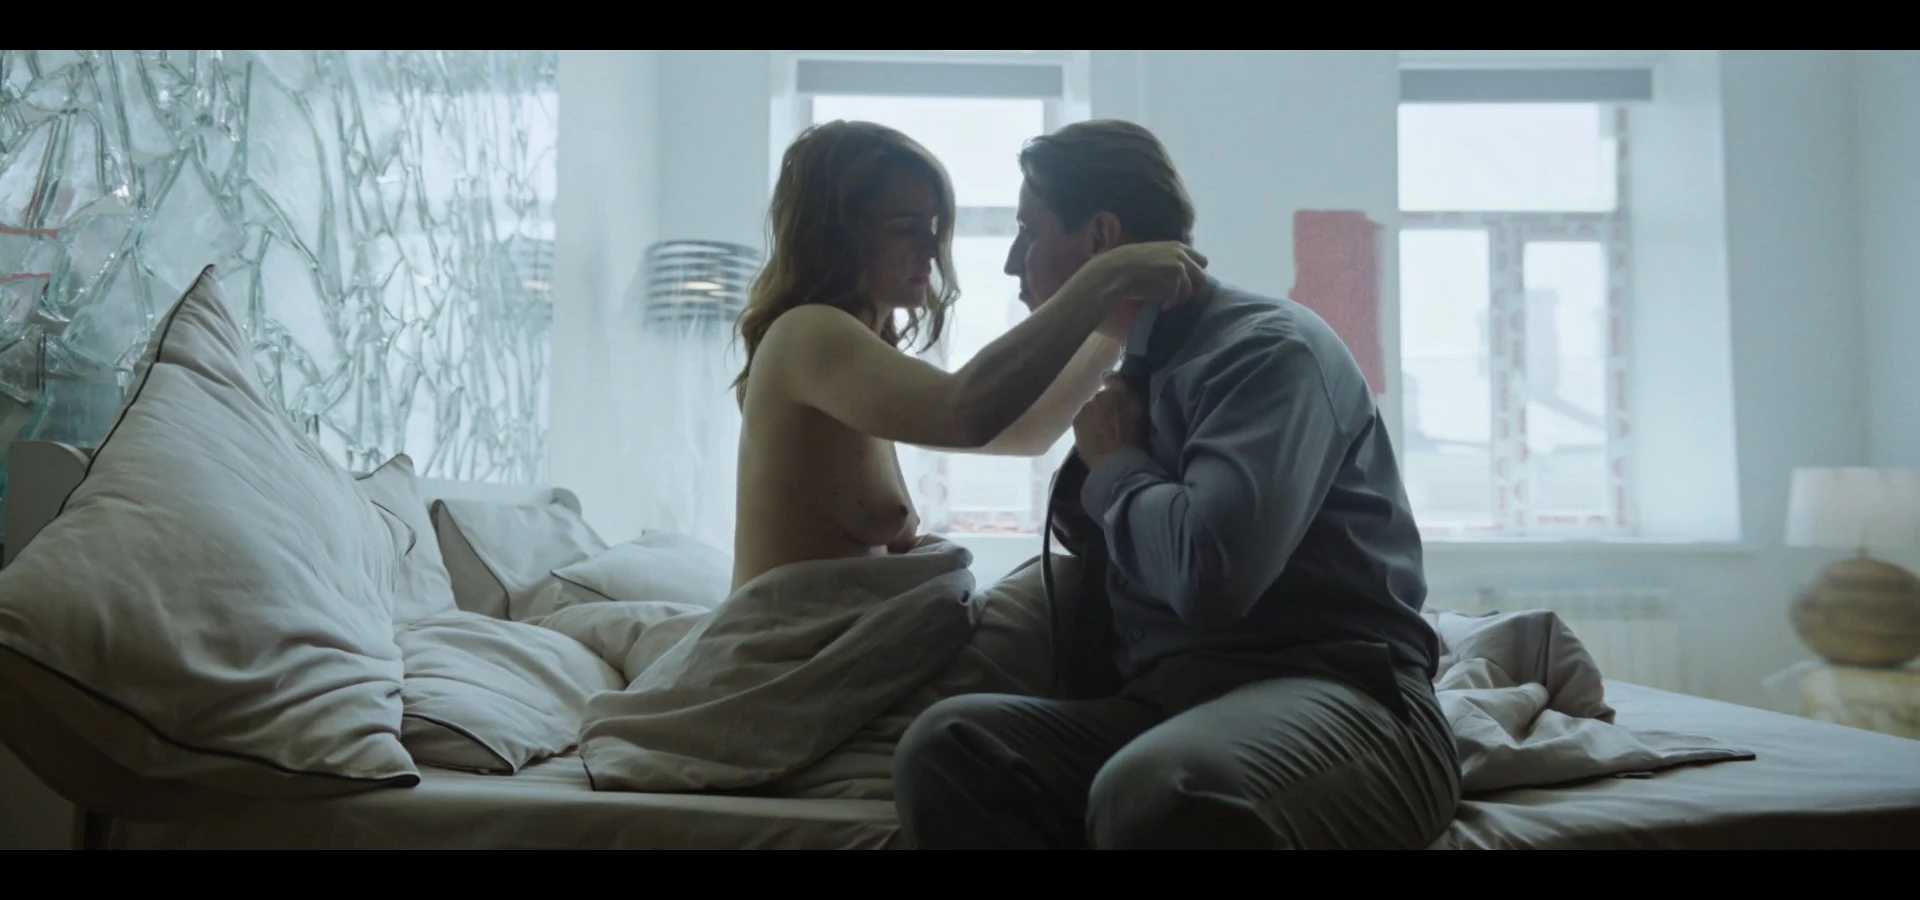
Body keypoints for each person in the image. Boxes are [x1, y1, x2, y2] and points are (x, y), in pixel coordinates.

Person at [890, 119, 1463, 850]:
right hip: (1172, 704)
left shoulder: (1265, 352)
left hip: (1341, 694)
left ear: (1101, 236)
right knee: (950, 746)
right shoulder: (1135, 371)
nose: (1010, 263)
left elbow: (1208, 577)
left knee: (1164, 786)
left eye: (1028, 232)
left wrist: (1115, 467)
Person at [727, 120, 1205, 592]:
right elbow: (962, 412)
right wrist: (1106, 277)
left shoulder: (856, 347)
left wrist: (1120, 319)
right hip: (794, 637)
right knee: (1067, 594)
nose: (931, 249)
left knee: (1067, 590)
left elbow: (1026, 429)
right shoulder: (807, 333)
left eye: (932, 227)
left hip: (845, 631)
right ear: (833, 237)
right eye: (905, 229)